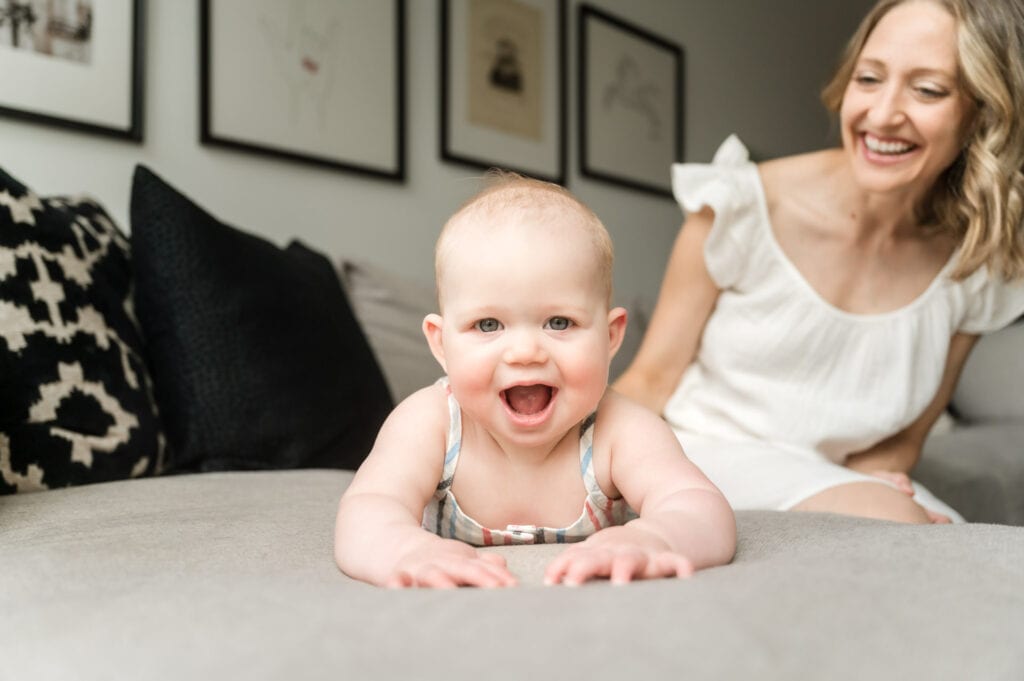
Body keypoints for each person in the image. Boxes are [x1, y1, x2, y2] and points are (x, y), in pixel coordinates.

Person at [614, 0, 1024, 525]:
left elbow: (904, 442)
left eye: (928, 90)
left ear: (984, 113)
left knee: (965, 548)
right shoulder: (739, 206)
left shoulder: (976, 266)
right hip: (698, 457)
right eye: (869, 78)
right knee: (905, 525)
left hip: (826, 478)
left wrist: (877, 483)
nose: (881, 115)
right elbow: (649, 382)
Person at [334, 174, 736, 588]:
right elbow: (368, 507)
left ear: (610, 336)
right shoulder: (430, 422)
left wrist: (655, 537)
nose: (525, 352)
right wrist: (405, 549)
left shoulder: (620, 430)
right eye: (488, 324)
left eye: (558, 322)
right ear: (441, 344)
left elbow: (700, 506)